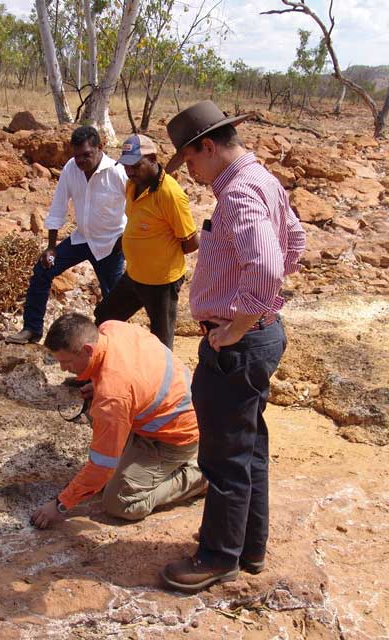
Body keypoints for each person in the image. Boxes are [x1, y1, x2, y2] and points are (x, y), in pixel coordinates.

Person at [160, 100, 306, 592]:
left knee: (223, 455)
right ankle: (250, 546)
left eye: (192, 161)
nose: (193, 174)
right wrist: (258, 313)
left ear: (207, 146)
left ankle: (218, 556)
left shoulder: (240, 192)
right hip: (261, 334)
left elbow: (266, 269)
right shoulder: (262, 179)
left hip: (239, 342)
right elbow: (297, 243)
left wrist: (237, 326)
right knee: (248, 447)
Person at [30, 313, 206, 529]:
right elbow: (134, 369)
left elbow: (101, 466)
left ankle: (201, 474)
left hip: (177, 436)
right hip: (184, 405)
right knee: (101, 415)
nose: (63, 369)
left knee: (120, 502)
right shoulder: (112, 327)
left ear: (87, 350)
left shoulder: (113, 396)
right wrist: (98, 384)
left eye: (66, 361)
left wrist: (60, 505)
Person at [6, 126, 127, 345]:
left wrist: (125, 240)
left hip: (111, 243)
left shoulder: (118, 172)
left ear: (100, 147)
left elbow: (136, 208)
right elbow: (58, 206)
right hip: (82, 239)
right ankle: (32, 329)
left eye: (86, 155)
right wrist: (51, 247)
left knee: (115, 300)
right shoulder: (72, 168)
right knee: (43, 269)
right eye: (77, 156)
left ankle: (111, 346)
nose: (80, 161)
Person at [93, 134, 199, 350]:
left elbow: (190, 243)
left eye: (135, 165)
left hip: (162, 282)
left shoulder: (170, 194)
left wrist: (159, 253)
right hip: (133, 275)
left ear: (152, 159)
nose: (129, 171)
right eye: (125, 166)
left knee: (161, 341)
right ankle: (100, 367)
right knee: (105, 317)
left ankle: (160, 382)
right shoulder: (133, 185)